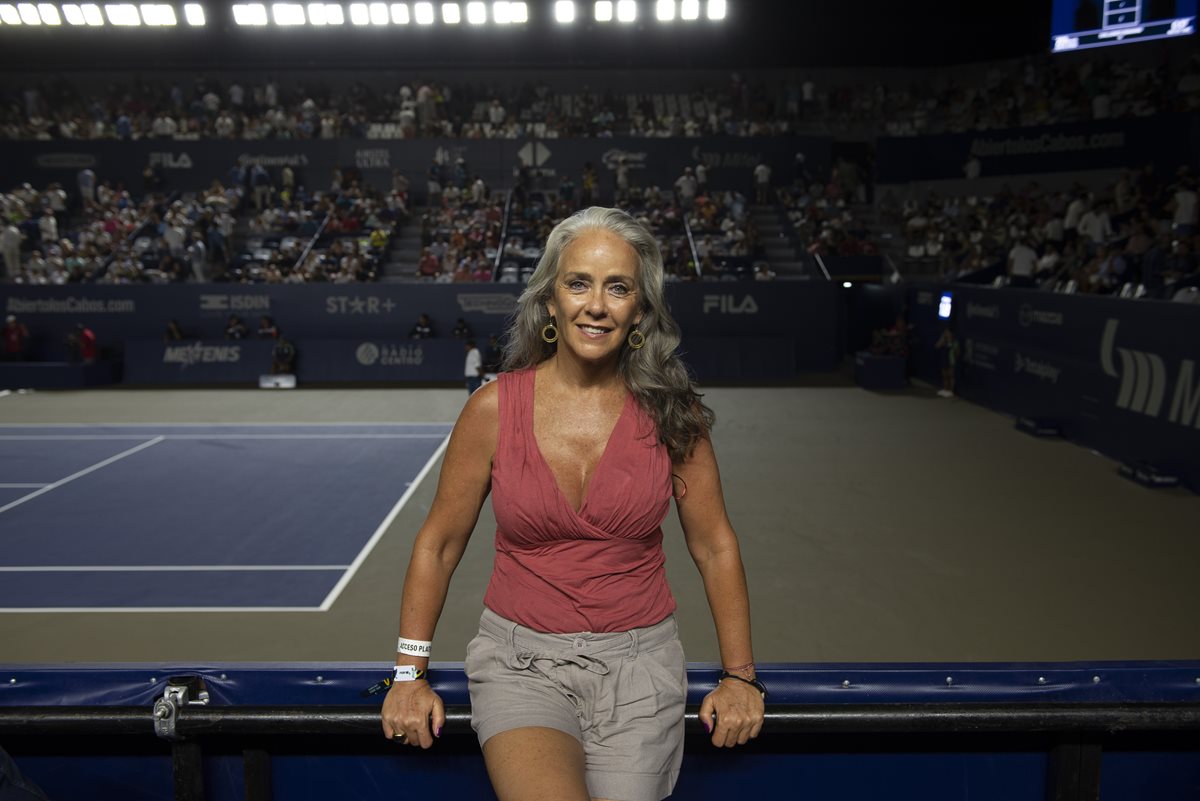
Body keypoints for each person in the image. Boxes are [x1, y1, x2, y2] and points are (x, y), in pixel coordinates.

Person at [380, 207, 765, 801]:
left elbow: (714, 546)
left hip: (641, 668)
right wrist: (408, 673)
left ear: (640, 309)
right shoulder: (491, 410)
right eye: (579, 283)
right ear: (550, 299)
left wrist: (741, 677)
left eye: (619, 287)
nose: (597, 305)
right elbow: (440, 544)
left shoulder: (674, 414)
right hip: (520, 665)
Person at [934, 326, 959, 398]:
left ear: (951, 333)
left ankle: (951, 391)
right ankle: (945, 389)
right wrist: (942, 339)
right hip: (944, 360)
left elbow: (957, 353)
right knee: (944, 376)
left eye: (948, 332)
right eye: (945, 332)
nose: (946, 333)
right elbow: (937, 346)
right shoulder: (943, 340)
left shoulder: (955, 342)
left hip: (951, 361)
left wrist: (954, 353)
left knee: (951, 376)